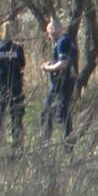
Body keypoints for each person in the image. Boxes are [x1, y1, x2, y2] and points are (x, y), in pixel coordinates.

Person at [41, 15, 77, 145]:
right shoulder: (68, 40)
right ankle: (48, 142)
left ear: (54, 30)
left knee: (59, 113)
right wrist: (51, 64)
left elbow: (63, 64)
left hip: (61, 83)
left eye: (49, 32)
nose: (48, 35)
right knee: (50, 111)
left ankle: (67, 145)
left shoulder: (62, 42)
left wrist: (48, 69)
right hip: (62, 82)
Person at [0, 20, 26, 144]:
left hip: (1, 86)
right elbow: (23, 64)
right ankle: (17, 142)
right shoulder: (18, 49)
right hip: (15, 86)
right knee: (16, 115)